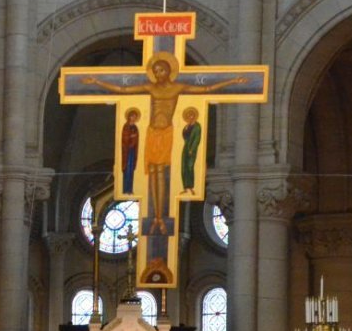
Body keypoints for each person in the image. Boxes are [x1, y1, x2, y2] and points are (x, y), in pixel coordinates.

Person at [83, 53, 247, 234]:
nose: (158, 74)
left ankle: (160, 217)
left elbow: (206, 89)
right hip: (151, 133)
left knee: (160, 173)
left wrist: (232, 81)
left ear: (168, 71)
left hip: (166, 133)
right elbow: (122, 91)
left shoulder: (177, 87)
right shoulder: (150, 87)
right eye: (155, 71)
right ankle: (156, 217)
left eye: (161, 70)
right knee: (151, 173)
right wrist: (97, 82)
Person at [180, 107, 202, 194]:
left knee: (190, 166)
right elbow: (185, 136)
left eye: (191, 115)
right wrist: (185, 130)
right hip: (186, 147)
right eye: (188, 116)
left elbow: (197, 138)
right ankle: (185, 187)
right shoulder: (187, 126)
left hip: (192, 149)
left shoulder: (197, 126)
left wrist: (192, 149)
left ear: (194, 116)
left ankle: (191, 187)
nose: (190, 117)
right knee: (183, 167)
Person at [120, 108, 140, 196]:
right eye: (132, 116)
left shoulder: (135, 127)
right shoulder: (126, 126)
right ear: (129, 117)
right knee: (127, 169)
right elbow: (124, 138)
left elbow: (137, 138)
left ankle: (130, 189)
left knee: (131, 170)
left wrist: (134, 137)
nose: (134, 118)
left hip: (132, 150)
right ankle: (125, 189)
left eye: (135, 117)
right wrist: (131, 136)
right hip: (127, 151)